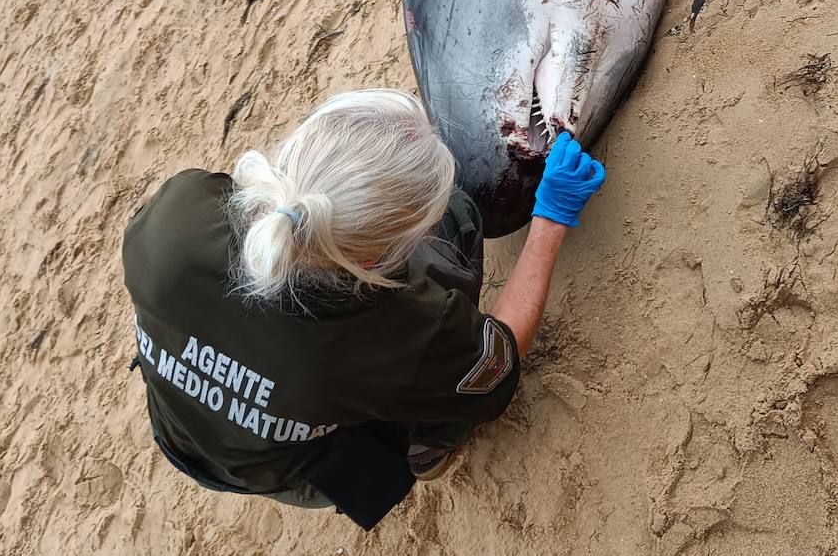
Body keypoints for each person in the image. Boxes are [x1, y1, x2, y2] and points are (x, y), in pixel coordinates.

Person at [121, 89, 606, 529]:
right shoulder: (396, 334)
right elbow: (500, 364)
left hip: (182, 432)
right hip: (295, 465)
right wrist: (550, 219)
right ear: (371, 260)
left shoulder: (176, 212)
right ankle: (429, 447)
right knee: (457, 215)